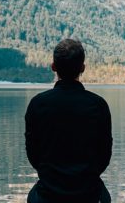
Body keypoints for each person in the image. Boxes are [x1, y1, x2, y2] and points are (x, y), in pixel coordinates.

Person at [24, 38, 112, 203]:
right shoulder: (98, 105)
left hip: (48, 194)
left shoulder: (37, 104)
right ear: (82, 68)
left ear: (53, 67)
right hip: (89, 194)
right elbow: (104, 155)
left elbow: (33, 153)